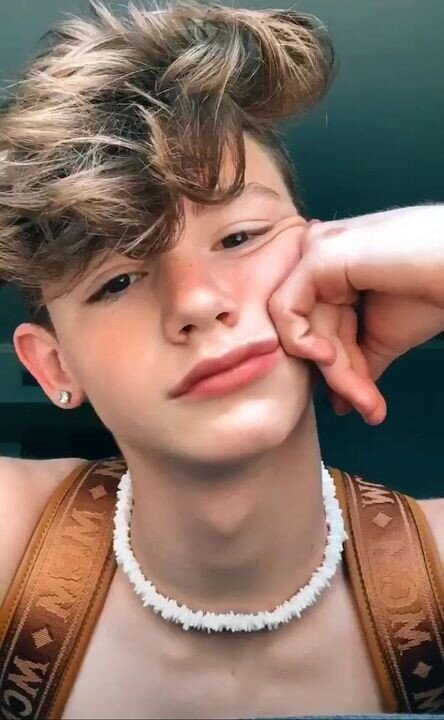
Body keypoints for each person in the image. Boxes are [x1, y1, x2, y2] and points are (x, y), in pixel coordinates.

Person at [0, 1, 443, 718]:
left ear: (325, 254)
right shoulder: (11, 541)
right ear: (54, 367)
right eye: (117, 281)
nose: (197, 303)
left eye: (239, 238)